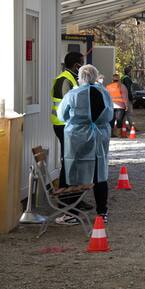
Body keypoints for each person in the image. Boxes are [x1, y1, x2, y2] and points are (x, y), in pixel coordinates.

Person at [57, 64, 113, 224]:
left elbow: (62, 115)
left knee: (73, 174)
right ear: (96, 76)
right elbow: (109, 114)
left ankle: (72, 214)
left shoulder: (73, 94)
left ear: (80, 77)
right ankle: (102, 212)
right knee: (99, 174)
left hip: (77, 138)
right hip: (99, 137)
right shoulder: (104, 92)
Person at [51, 51, 88, 222]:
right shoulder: (65, 80)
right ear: (76, 66)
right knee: (69, 162)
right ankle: (67, 203)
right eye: (82, 63)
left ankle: (75, 199)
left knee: (74, 161)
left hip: (69, 126)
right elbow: (68, 106)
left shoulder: (71, 79)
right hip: (64, 126)